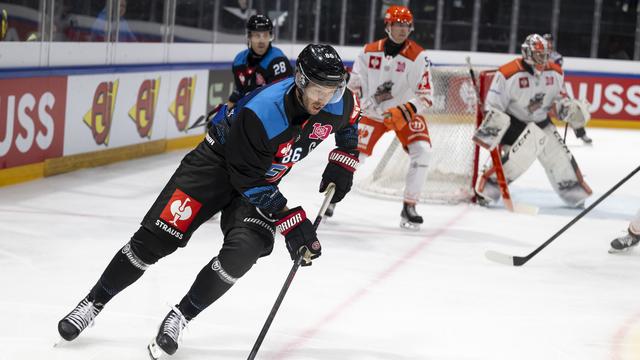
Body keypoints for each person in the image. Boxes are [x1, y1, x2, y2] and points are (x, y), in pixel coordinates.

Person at [56, 44, 360, 359]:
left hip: (260, 179)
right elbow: (247, 180)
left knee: (244, 250)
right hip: (214, 167)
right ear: (299, 80)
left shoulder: (338, 102)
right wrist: (291, 220)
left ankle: (181, 315)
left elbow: (352, 117)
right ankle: (94, 301)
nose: (323, 98)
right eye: (317, 89)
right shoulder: (264, 111)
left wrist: (344, 157)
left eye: (331, 90)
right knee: (155, 239)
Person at [329, 5, 434, 229]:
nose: (403, 29)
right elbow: (354, 84)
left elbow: (426, 96)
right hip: (373, 114)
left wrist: (404, 110)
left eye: (406, 25)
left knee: (423, 151)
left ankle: (410, 206)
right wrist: (359, 103)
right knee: (353, 155)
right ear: (387, 26)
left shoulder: (418, 56)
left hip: (404, 114)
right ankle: (332, 199)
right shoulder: (368, 52)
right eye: (398, 24)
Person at [475, 34, 592, 209]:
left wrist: (568, 110)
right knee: (517, 159)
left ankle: (573, 192)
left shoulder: (555, 73)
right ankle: (488, 189)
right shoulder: (508, 73)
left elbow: (560, 99)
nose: (544, 60)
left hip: (541, 121)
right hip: (515, 124)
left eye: (546, 54)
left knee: (559, 156)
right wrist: (492, 131)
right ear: (527, 54)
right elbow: (493, 106)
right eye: (539, 55)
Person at [226, 14, 293, 110]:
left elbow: (281, 101)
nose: (262, 41)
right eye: (257, 35)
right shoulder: (239, 61)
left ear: (271, 37)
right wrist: (223, 112)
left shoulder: (278, 62)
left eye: (265, 35)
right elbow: (240, 92)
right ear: (249, 36)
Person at [543, 33, 592, 145]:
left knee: (571, 110)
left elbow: (554, 70)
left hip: (556, 88)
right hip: (542, 88)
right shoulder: (536, 55)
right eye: (546, 41)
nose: (548, 43)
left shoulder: (556, 57)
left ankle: (582, 134)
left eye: (549, 41)